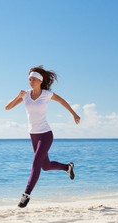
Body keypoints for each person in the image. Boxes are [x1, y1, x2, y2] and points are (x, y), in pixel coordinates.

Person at [5, 65, 80, 208]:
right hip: (33, 135)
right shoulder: (26, 94)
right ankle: (67, 167)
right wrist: (18, 96)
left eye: (33, 79)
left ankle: (26, 195)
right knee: (45, 166)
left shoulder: (47, 94)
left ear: (40, 81)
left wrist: (74, 114)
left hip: (46, 134)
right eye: (29, 79)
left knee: (36, 163)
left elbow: (63, 102)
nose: (30, 81)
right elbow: (7, 107)